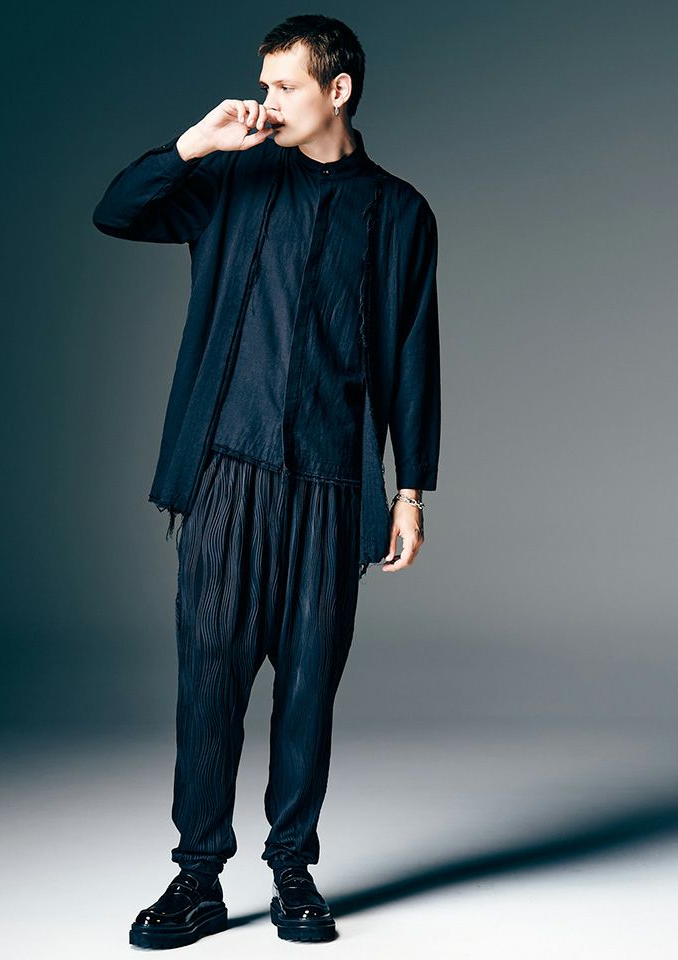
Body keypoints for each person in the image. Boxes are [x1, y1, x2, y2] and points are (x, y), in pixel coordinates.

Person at [92, 13, 441, 948]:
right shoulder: (231, 181)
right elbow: (118, 212)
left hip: (331, 485)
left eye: (285, 85)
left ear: (338, 89)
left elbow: (414, 357)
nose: (266, 101)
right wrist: (192, 145)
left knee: (309, 686)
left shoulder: (400, 212)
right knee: (208, 679)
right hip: (226, 474)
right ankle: (197, 877)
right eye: (266, 84)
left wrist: (410, 490)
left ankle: (292, 869)